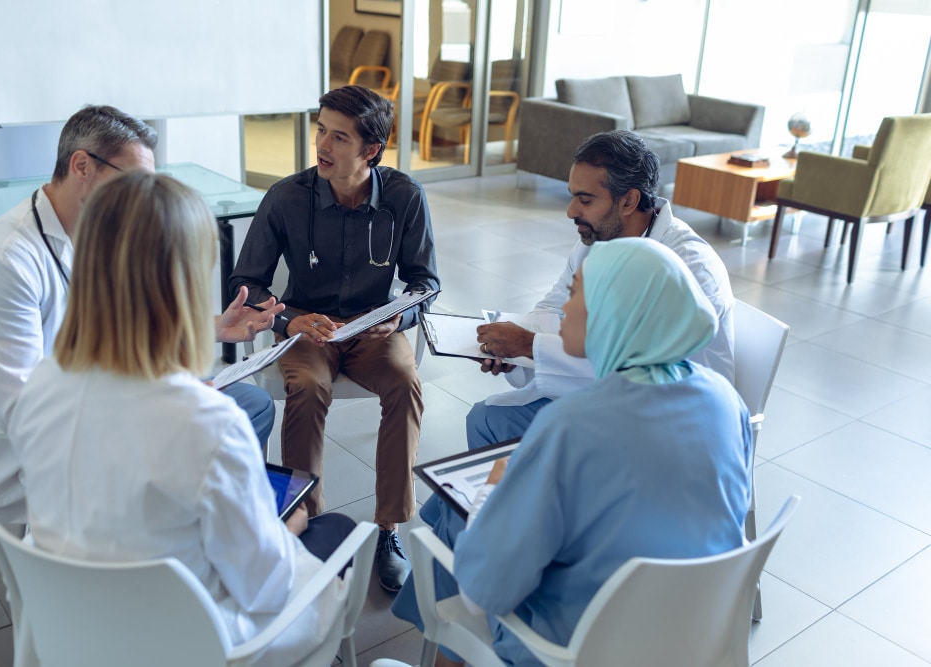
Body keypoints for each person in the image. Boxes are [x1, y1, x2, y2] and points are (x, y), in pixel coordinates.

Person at [7, 172, 356, 666]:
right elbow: (265, 588)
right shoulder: (207, 425)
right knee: (334, 529)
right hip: (191, 644)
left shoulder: (41, 385)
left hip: (77, 629)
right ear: (185, 284)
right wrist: (290, 528)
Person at [0, 105, 280, 521]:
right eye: (133, 184)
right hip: (45, 459)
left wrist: (210, 329)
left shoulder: (96, 231)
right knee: (221, 427)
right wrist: (151, 412)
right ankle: (194, 529)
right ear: (82, 166)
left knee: (248, 402)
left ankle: (197, 524)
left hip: (104, 403)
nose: (142, 202)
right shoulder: (5, 263)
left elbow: (127, 330)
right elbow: (24, 414)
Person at [451, 239, 752, 666]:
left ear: (613, 311)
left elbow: (484, 590)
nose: (565, 311)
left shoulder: (571, 425)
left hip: (577, 647)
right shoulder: (726, 400)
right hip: (694, 632)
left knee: (450, 522)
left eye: (576, 294)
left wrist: (494, 488)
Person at [230, 85, 440, 592]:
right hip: (308, 327)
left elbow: (425, 283)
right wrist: (286, 322)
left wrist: (400, 318)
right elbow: (246, 284)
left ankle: (388, 528)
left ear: (370, 150)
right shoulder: (287, 197)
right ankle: (307, 524)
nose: (322, 144)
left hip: (374, 326)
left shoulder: (404, 197)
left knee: (404, 384)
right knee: (308, 388)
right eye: (321, 130)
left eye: (339, 137)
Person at [468, 129, 735, 450]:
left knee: (510, 455)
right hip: (601, 398)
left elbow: (635, 368)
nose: (571, 211)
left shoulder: (687, 266)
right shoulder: (600, 238)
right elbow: (553, 307)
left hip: (659, 425)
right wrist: (516, 351)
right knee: (485, 419)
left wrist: (530, 345)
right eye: (572, 196)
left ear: (629, 200)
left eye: (585, 199)